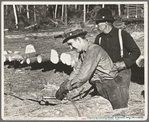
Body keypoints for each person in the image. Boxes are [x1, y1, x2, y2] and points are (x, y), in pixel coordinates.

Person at [55, 26, 131, 109]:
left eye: (70, 44)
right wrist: (65, 83)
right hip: (102, 86)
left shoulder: (93, 50)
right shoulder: (83, 53)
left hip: (112, 87)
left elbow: (83, 77)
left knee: (119, 113)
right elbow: (77, 71)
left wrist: (66, 87)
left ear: (79, 40)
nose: (70, 47)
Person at [94, 8, 141, 94]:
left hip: (122, 72)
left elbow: (136, 51)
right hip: (106, 72)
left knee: (120, 96)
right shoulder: (99, 38)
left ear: (106, 23)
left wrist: (124, 63)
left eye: (98, 23)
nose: (97, 26)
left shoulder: (122, 34)